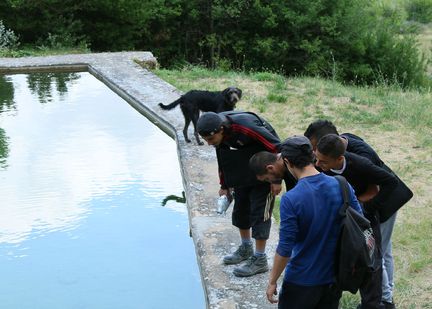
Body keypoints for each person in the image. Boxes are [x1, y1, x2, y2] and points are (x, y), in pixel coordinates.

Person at [304, 119, 401, 309]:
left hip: (382, 206)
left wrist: (370, 207)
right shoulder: (326, 164)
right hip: (358, 212)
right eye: (316, 158)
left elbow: (389, 183)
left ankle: (384, 301)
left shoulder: (361, 162)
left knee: (376, 255)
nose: (317, 164)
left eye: (322, 161)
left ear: (339, 158)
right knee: (374, 253)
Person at [265, 135, 363, 308]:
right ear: (312, 156)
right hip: (333, 277)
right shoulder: (341, 185)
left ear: (287, 162)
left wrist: (272, 280)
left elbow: (286, 247)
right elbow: (360, 222)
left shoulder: (291, 199)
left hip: (302, 280)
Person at [196, 111, 281, 277]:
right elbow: (222, 157)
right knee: (240, 209)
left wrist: (276, 179)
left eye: (211, 139)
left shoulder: (245, 126)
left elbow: (278, 148)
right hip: (243, 167)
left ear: (221, 129)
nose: (209, 143)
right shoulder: (217, 132)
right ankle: (246, 247)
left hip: (264, 171)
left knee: (260, 213)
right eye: (205, 140)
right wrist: (225, 185)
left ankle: (260, 258)